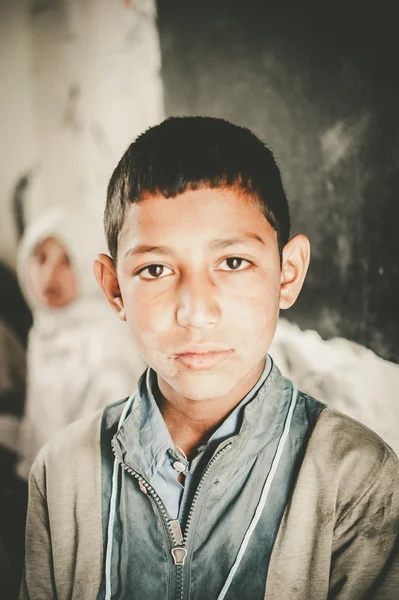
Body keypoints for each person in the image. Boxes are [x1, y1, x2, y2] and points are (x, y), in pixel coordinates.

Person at [21, 117, 399, 600]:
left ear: (287, 274)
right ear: (115, 288)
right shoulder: (62, 474)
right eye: (155, 269)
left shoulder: (356, 476)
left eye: (233, 263)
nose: (195, 312)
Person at [16, 208, 145, 482]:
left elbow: (117, 443)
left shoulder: (106, 339)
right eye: (41, 258)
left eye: (67, 260)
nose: (51, 273)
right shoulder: (45, 329)